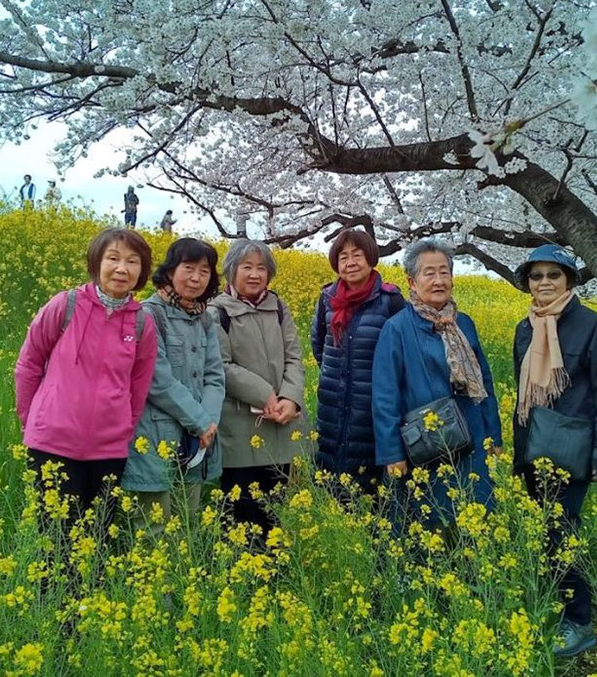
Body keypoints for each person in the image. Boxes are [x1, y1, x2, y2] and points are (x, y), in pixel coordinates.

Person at [511, 244, 597, 658]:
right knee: (544, 535)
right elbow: (523, 397)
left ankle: (579, 622)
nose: (544, 283)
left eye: (553, 275)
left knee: (562, 534)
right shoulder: (525, 327)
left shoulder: (591, 325)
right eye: (537, 276)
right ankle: (555, 607)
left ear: (570, 281)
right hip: (533, 448)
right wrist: (517, 453)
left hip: (572, 449)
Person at [14, 228, 157, 523]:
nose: (121, 268)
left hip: (108, 449)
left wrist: (121, 429)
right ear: (96, 263)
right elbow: (28, 364)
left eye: (132, 261)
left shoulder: (143, 323)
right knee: (55, 539)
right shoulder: (65, 305)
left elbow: (138, 386)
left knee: (97, 538)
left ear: (141, 271)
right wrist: (32, 420)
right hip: (51, 441)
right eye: (113, 258)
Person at [372, 238, 501, 528]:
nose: (439, 280)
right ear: (412, 282)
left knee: (477, 522)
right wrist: (392, 453)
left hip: (472, 437)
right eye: (429, 273)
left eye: (444, 272)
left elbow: (485, 383)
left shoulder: (464, 323)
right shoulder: (397, 329)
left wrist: (495, 436)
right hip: (426, 446)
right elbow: (384, 397)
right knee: (429, 527)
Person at [121, 237, 225, 525]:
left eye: (204, 271)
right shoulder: (148, 315)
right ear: (170, 272)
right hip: (155, 437)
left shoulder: (204, 319)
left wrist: (209, 422)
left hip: (199, 440)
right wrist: (200, 421)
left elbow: (215, 376)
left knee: (188, 522)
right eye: (188, 268)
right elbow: (157, 379)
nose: (196, 278)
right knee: (154, 527)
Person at [208, 240, 304, 535]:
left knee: (278, 510)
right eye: (246, 267)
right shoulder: (217, 311)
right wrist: (265, 394)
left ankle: (276, 574)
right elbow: (221, 365)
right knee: (242, 510)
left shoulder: (278, 307)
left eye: (261, 268)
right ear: (230, 271)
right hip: (240, 428)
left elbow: (294, 356)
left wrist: (291, 398)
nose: (254, 274)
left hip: (282, 425)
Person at [310, 229, 406, 493]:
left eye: (357, 255)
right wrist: (336, 376)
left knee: (368, 487)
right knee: (330, 477)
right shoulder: (327, 298)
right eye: (343, 257)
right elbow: (319, 344)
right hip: (331, 403)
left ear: (371, 258)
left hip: (372, 408)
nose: (350, 263)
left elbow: (403, 354)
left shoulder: (391, 301)